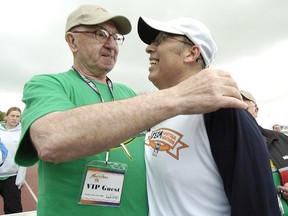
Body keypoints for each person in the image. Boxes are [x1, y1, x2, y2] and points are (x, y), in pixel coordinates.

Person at [14, 4, 247, 216]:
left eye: (115, 37)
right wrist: (178, 95)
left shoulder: (127, 93)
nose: (111, 43)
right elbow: (51, 139)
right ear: (72, 41)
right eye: (100, 34)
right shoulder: (48, 84)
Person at [137, 16, 280, 215]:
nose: (149, 48)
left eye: (160, 40)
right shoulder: (156, 114)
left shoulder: (223, 111)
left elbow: (257, 205)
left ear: (191, 52)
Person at [241, 90, 288, 216]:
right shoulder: (221, 147)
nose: (239, 113)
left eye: (244, 107)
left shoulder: (282, 140)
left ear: (256, 111)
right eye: (233, 108)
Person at [0, 107, 26, 214]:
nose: (14, 118)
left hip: (11, 178)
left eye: (17, 116)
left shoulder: (22, 134)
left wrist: (20, 178)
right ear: (6, 117)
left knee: (14, 210)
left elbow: (23, 157)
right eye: (12, 115)